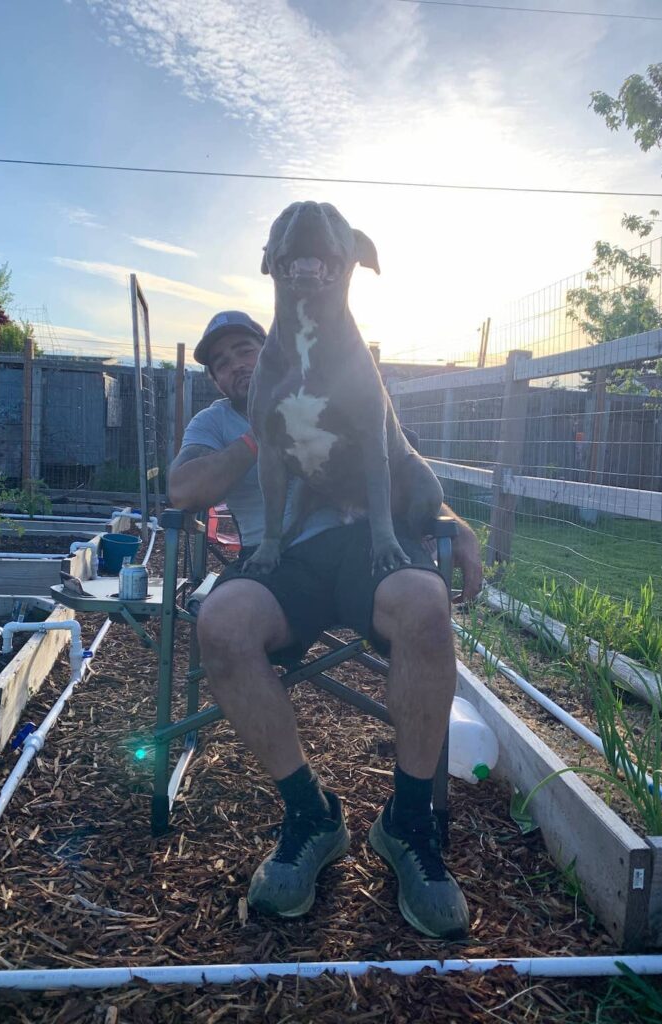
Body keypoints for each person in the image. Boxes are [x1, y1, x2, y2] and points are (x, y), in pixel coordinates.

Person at [168, 311, 483, 939]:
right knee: (222, 623)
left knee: (426, 607)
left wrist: (454, 523)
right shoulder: (215, 424)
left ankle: (408, 823)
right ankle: (311, 815)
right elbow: (182, 491)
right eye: (221, 361)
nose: (236, 364)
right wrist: (263, 430)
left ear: (278, 349)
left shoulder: (336, 393)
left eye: (247, 350)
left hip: (370, 546)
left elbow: (403, 461)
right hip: (281, 563)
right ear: (215, 378)